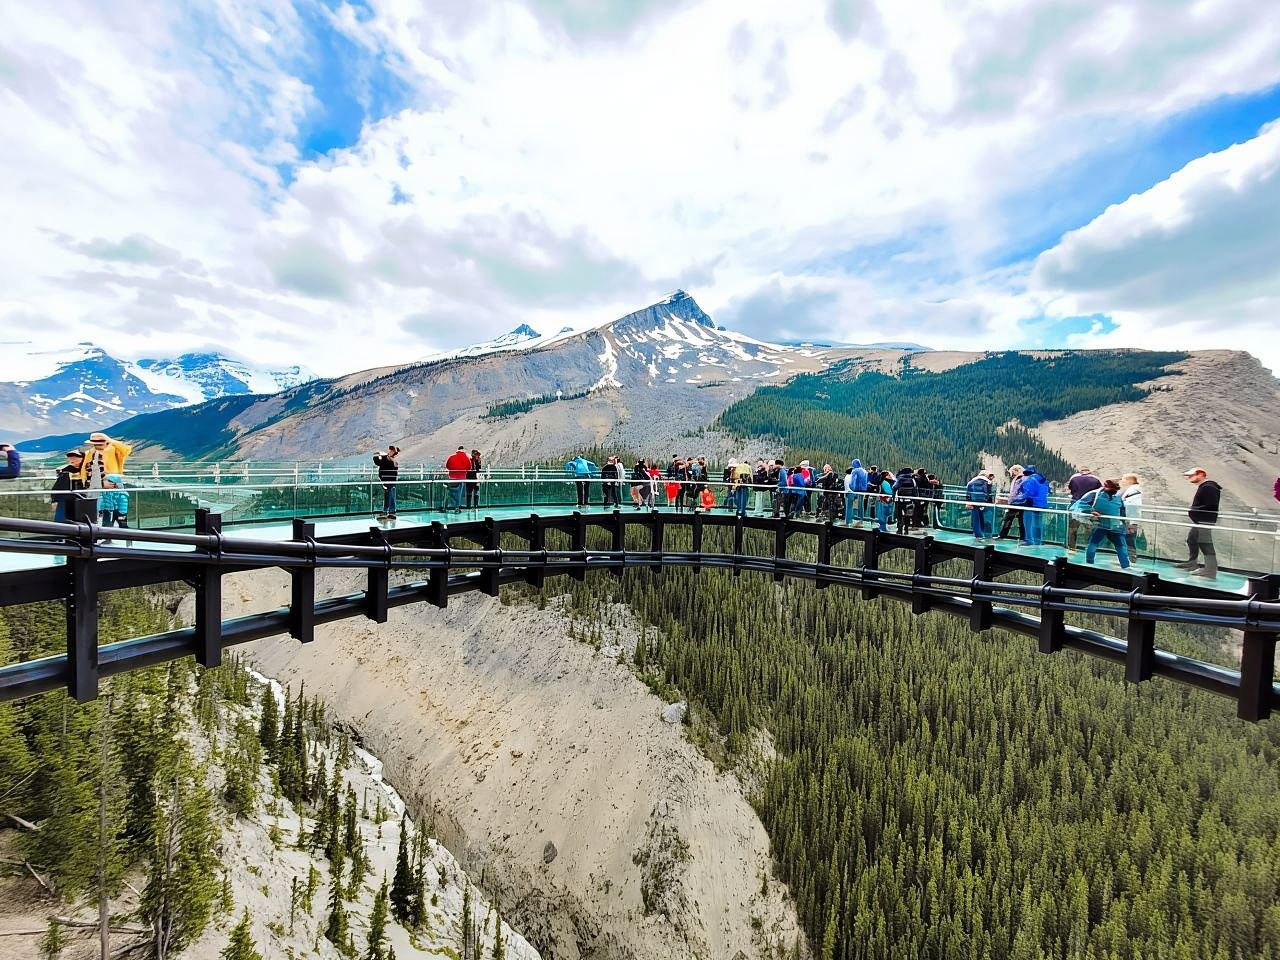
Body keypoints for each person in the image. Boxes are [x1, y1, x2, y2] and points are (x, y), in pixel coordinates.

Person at [1177, 467, 1222, 579]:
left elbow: (1211, 505)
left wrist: (1194, 510)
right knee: (1192, 539)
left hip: (1204, 520)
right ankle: (1192, 563)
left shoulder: (1209, 487)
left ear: (1201, 474)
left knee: (1205, 543)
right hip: (1201, 520)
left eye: (1192, 475)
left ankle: (1210, 570)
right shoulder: (1206, 487)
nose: (1189, 478)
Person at [1084, 478, 1130, 569]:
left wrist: (1091, 511)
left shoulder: (1097, 496)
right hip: (1116, 525)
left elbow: (1083, 505)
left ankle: (1089, 564)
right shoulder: (1118, 498)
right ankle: (1125, 566)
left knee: (1093, 543)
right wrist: (1125, 525)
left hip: (1101, 524)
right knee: (1121, 546)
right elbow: (1123, 513)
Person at [1066, 467, 1103, 554]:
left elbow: (1071, 490)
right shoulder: (1096, 480)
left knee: (1073, 528)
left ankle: (1072, 548)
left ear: (1081, 472)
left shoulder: (1074, 478)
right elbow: (1099, 492)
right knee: (1089, 527)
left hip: (1075, 504)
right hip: (1089, 506)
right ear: (1089, 472)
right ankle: (1089, 548)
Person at [51, 449, 86, 523]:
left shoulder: (86, 470)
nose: (72, 459)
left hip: (81, 500)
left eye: (76, 457)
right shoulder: (65, 471)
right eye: (70, 457)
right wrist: (55, 500)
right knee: (61, 521)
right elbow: (58, 486)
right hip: (65, 500)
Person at [1018, 465, 1049, 546]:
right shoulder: (1044, 480)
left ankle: (1029, 540)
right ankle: (1038, 540)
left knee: (1028, 523)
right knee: (1038, 523)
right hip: (1041, 504)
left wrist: (1021, 497)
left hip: (1031, 503)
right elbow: (1048, 491)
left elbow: (1028, 492)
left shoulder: (1031, 479)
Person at [996, 465, 1026, 542]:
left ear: (1016, 471)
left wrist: (1012, 499)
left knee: (1008, 519)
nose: (1011, 474)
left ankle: (1002, 535)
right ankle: (1023, 537)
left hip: (1016, 503)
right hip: (1020, 502)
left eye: (1012, 472)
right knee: (1021, 521)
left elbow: (1016, 492)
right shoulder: (1022, 479)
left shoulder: (1019, 479)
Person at [372, 445, 400, 520]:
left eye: (392, 451)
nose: (390, 452)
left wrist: (382, 456)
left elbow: (380, 461)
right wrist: (381, 456)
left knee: (391, 495)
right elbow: (377, 460)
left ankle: (391, 511)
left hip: (390, 480)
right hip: (387, 480)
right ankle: (386, 510)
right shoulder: (389, 459)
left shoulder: (391, 460)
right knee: (388, 495)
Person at [98, 474, 130, 541]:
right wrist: (101, 509)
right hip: (108, 510)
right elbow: (103, 501)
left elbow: (123, 503)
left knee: (122, 524)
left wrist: (122, 512)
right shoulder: (105, 492)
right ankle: (107, 538)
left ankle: (128, 537)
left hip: (118, 511)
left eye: (106, 481)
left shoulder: (121, 493)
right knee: (107, 524)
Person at [1120, 473, 1143, 561]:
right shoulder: (1133, 490)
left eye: (1124, 479)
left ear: (1129, 480)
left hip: (1130, 520)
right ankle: (1128, 558)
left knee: (1129, 539)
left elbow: (1133, 507)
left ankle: (1131, 559)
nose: (1122, 482)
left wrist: (1132, 522)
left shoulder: (1133, 491)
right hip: (1129, 519)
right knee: (1128, 539)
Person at [965, 470, 994, 540]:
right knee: (987, 520)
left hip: (974, 504)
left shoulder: (971, 482)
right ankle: (988, 536)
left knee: (976, 520)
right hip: (985, 504)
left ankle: (978, 535)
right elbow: (990, 494)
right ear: (986, 475)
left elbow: (968, 494)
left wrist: (968, 502)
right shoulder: (988, 483)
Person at [444, 446, 472, 513]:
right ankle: (457, 507)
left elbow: (447, 466)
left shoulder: (451, 457)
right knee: (459, 493)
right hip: (461, 478)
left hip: (452, 478)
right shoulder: (466, 458)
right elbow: (469, 467)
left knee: (450, 492)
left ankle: (446, 507)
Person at [893, 467, 919, 535]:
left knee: (899, 515)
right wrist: (915, 500)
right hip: (909, 501)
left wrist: (893, 497)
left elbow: (894, 487)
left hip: (900, 501)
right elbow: (915, 490)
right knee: (908, 515)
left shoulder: (900, 479)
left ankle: (899, 529)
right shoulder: (912, 480)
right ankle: (906, 529)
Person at [845, 458, 869, 525]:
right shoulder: (865, 471)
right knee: (861, 505)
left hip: (856, 490)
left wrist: (851, 488)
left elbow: (853, 482)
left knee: (853, 506)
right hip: (863, 490)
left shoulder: (855, 471)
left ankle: (850, 521)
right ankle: (861, 520)